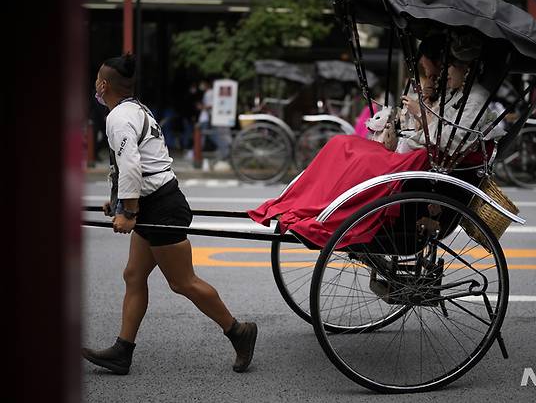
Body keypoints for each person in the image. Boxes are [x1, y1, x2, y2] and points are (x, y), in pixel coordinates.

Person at [82, 54, 257, 375]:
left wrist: (129, 211)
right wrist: (118, 201)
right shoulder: (136, 109)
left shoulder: (119, 117)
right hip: (156, 200)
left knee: (183, 282)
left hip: (161, 205)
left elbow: (133, 165)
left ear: (103, 84)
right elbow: (129, 166)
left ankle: (238, 331)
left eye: (96, 79)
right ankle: (123, 351)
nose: (94, 84)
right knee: (133, 276)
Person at [248, 31, 505, 247]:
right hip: (419, 151)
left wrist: (422, 115)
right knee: (342, 144)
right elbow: (427, 128)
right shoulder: (454, 92)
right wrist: (418, 111)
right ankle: (310, 204)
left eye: (450, 66)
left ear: (466, 67)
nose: (445, 72)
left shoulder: (475, 99)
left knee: (363, 160)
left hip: (429, 160)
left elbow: (448, 138)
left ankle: (330, 214)